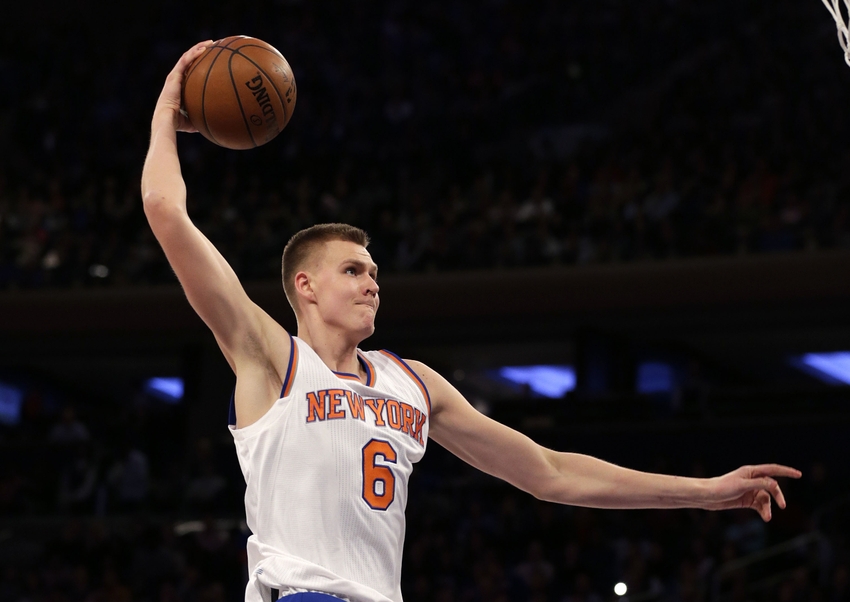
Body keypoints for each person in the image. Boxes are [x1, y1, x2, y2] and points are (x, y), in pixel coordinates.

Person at [141, 42, 801, 602]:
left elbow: (549, 471)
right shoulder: (269, 357)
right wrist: (169, 107)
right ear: (304, 287)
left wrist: (706, 492)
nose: (372, 281)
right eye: (352, 271)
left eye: (374, 272)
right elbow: (166, 211)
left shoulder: (414, 384)